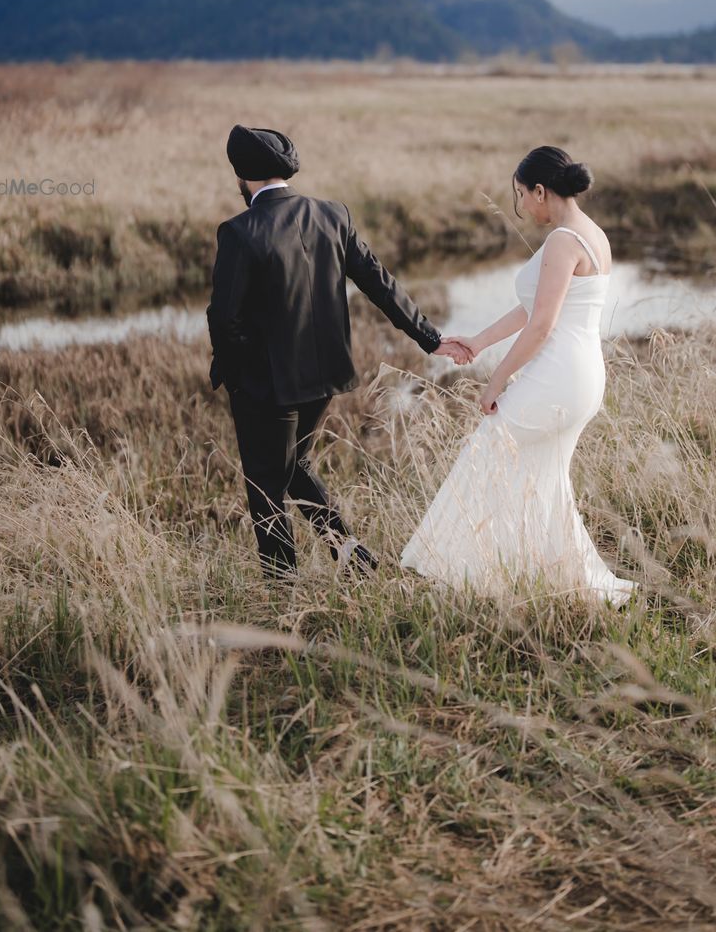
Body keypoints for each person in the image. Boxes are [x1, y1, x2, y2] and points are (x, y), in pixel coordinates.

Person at [207, 124, 469, 584]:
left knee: (265, 491)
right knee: (294, 466)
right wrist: (429, 337)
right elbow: (378, 282)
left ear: (241, 176)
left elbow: (223, 318)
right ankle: (349, 552)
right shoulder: (332, 215)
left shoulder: (239, 232)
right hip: (324, 378)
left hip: (268, 386)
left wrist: (239, 377)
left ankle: (283, 594)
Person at [400, 145, 637, 606]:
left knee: (488, 453)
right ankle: (552, 581)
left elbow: (543, 325)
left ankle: (470, 577)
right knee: (542, 476)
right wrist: (480, 341)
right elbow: (536, 308)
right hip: (583, 374)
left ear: (542, 191)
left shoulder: (563, 241)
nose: (523, 207)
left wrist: (497, 380)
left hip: (560, 375)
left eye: (521, 195)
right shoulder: (593, 234)